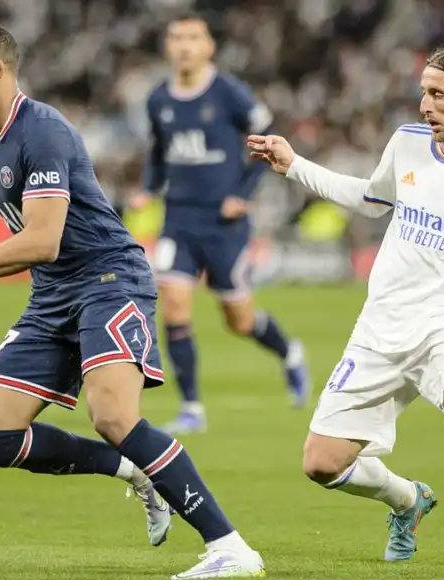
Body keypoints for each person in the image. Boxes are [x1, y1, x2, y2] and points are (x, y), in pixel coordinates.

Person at [0, 21, 265, 580]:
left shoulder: (43, 132)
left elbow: (41, 239)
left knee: (113, 415)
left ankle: (230, 546)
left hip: (109, 280)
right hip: (53, 294)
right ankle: (132, 471)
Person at [248, 41, 444, 574]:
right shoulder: (408, 143)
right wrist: (295, 165)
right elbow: (371, 199)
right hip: (378, 328)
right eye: (423, 93)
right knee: (321, 464)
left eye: (439, 95)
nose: (425, 105)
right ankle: (407, 501)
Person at [129, 13, 309, 434]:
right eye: (177, 37)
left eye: (194, 37)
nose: (185, 45)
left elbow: (270, 137)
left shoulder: (229, 93)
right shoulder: (158, 100)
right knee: (173, 306)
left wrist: (242, 194)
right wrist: (149, 188)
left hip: (224, 223)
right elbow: (158, 152)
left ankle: (289, 352)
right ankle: (192, 406)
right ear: (167, 47)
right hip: (179, 219)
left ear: (209, 46)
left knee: (239, 321)